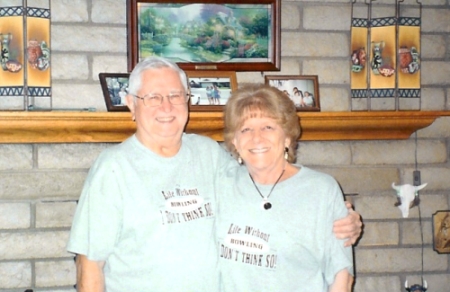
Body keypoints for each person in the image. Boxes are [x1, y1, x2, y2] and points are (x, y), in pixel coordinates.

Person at [67, 56, 361, 292]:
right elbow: (90, 265)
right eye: (153, 97)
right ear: (131, 104)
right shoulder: (113, 169)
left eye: (175, 95)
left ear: (188, 101)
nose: (166, 107)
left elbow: (267, 180)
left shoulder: (208, 154)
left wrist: (339, 217)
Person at [217, 84, 353, 291]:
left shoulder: (321, 190)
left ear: (287, 137)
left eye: (268, 127)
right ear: (235, 141)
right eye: (246, 129)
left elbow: (341, 275)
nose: (257, 137)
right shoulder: (221, 183)